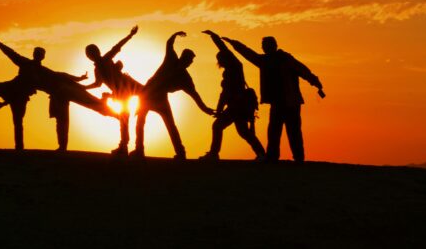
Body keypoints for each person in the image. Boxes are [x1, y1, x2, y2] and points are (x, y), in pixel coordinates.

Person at [0, 35, 113, 152]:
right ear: (34, 54)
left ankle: (61, 147)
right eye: (37, 53)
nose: (39, 55)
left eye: (41, 54)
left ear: (43, 57)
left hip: (60, 92)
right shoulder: (25, 63)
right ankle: (46, 147)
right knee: (60, 120)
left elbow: (61, 75)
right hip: (46, 93)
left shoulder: (43, 70)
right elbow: (11, 53)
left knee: (66, 118)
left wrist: (79, 78)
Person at [223, 35, 324, 162]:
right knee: (276, 132)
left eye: (266, 46)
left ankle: (294, 158)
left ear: (273, 46)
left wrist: (315, 82)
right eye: (263, 46)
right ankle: (277, 157)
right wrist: (234, 43)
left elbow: (303, 70)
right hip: (280, 102)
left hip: (290, 102)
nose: (264, 48)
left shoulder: (283, 59)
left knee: (289, 131)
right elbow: (248, 53)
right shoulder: (266, 60)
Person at [133, 31, 215, 160]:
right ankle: (139, 150)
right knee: (140, 122)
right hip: (148, 94)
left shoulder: (186, 79)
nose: (189, 63)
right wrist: (175, 35)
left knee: (170, 125)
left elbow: (195, 95)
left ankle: (180, 152)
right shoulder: (171, 59)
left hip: (160, 98)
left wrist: (205, 109)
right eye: (188, 60)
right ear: (183, 57)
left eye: (190, 61)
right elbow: (169, 44)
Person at [199, 30, 265, 161]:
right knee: (243, 132)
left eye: (221, 59)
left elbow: (224, 49)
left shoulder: (236, 67)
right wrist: (219, 109)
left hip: (237, 106)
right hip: (235, 106)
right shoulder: (229, 72)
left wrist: (214, 37)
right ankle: (262, 154)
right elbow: (223, 94)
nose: (220, 62)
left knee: (218, 126)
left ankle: (214, 154)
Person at [84, 25, 140, 156]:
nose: (92, 56)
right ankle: (124, 146)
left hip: (127, 89)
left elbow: (118, 46)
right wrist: (83, 87)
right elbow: (97, 84)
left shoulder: (106, 59)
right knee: (124, 118)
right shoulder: (97, 69)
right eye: (90, 54)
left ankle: (125, 146)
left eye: (92, 52)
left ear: (96, 52)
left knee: (124, 118)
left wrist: (130, 35)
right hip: (120, 94)